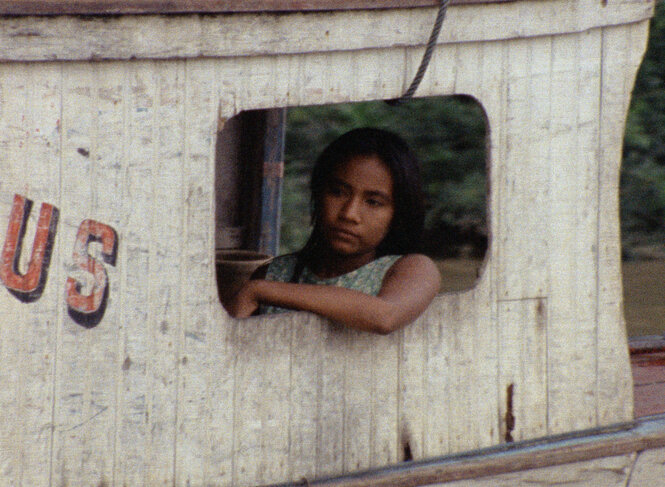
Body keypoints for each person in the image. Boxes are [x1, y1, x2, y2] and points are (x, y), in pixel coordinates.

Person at [227, 128, 441, 334]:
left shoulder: (411, 269)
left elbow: (385, 316)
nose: (349, 213)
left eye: (373, 202)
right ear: (319, 194)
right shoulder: (275, 273)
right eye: (338, 192)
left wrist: (258, 290)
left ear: (398, 213)